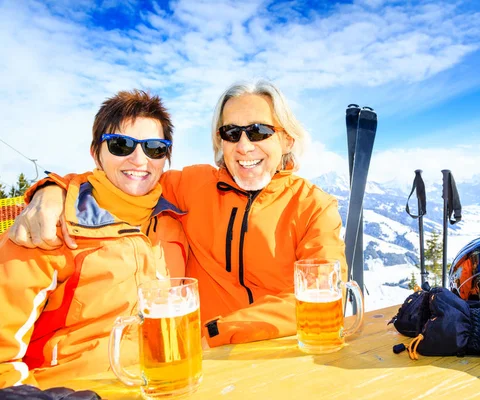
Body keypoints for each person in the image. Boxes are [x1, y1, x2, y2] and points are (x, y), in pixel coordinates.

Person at [9, 80, 347, 348]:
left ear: (286, 139)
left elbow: (324, 296)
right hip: (190, 361)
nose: (244, 146)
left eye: (259, 131)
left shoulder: (313, 207)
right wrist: (52, 190)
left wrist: (216, 331)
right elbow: (123, 180)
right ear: (220, 141)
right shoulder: (190, 186)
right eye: (231, 133)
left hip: (270, 349)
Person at [0, 90, 187, 388]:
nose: (139, 160)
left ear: (166, 158)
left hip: (165, 383)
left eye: (154, 148)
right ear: (95, 153)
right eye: (121, 145)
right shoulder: (49, 228)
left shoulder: (173, 223)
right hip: (67, 390)